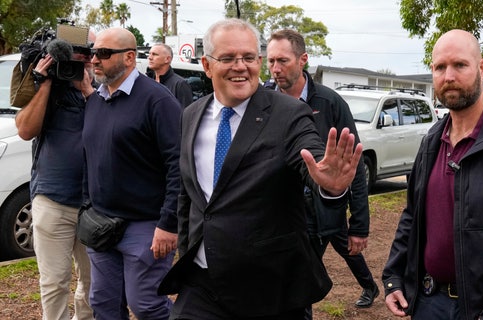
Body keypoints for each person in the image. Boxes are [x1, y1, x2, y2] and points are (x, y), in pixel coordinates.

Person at [157, 18, 362, 320]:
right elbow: (191, 194)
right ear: (207, 64)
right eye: (228, 58)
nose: (240, 66)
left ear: (259, 62)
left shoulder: (288, 114)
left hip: (269, 288)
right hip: (202, 284)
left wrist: (329, 184)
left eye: (249, 58)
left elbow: (311, 156)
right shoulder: (191, 115)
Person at [382, 29, 483, 319]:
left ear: (482, 67)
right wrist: (395, 274)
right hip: (428, 301)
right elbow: (413, 214)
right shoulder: (432, 140)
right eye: (440, 67)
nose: (448, 76)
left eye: (460, 65)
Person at [265, 29, 379, 311]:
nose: (275, 69)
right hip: (277, 213)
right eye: (270, 62)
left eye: (283, 61)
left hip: (320, 212)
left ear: (303, 59)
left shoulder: (330, 103)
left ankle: (370, 286)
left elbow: (354, 167)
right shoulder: (262, 101)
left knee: (300, 285)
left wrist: (360, 225)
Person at [82, 27, 181, 319]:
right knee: (103, 304)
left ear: (128, 57)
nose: (94, 60)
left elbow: (179, 165)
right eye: (93, 53)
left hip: (146, 226)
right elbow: (89, 156)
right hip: (100, 224)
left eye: (103, 53)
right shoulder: (95, 101)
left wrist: (169, 223)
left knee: (146, 305)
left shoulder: (157, 101)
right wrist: (86, 205)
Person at [14, 31, 96, 320]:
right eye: (74, 53)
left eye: (88, 52)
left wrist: (87, 91)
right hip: (53, 199)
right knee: (54, 281)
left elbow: (111, 130)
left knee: (93, 280)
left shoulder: (103, 88)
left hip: (94, 204)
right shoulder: (45, 86)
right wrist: (46, 82)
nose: (82, 59)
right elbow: (25, 130)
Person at [147, 43, 193, 107]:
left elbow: (186, 114)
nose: (150, 57)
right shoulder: (148, 81)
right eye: (149, 54)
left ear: (167, 59)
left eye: (155, 54)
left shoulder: (180, 84)